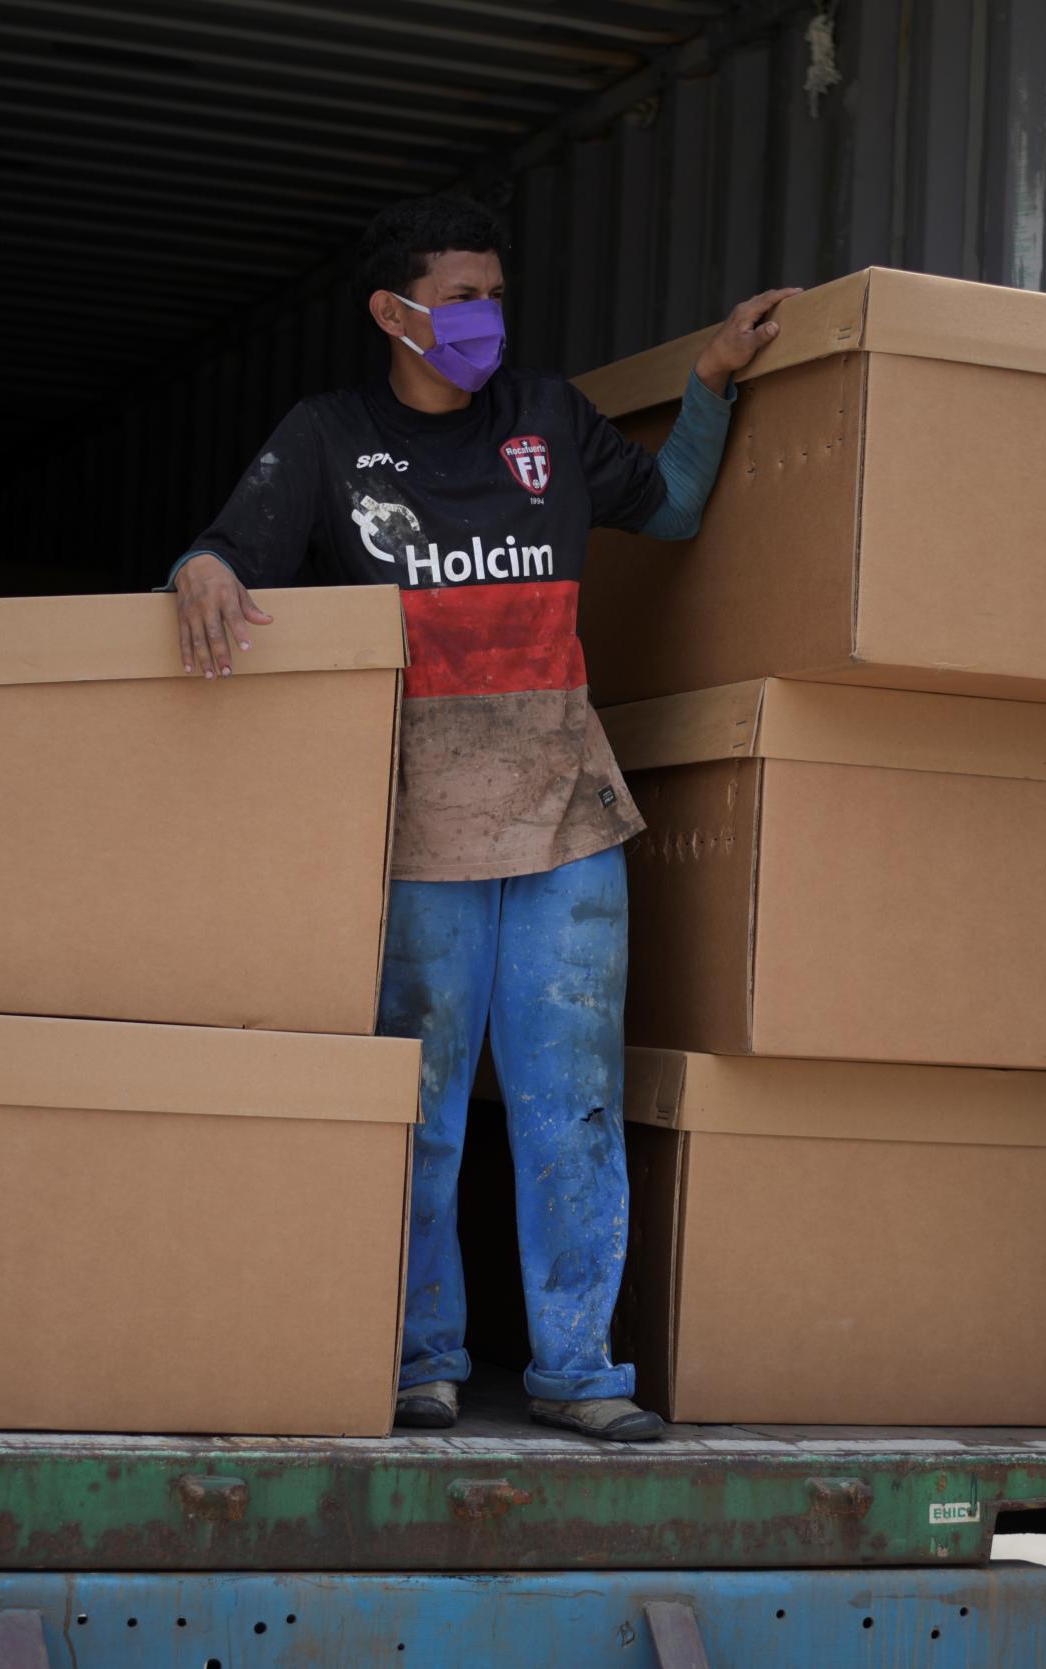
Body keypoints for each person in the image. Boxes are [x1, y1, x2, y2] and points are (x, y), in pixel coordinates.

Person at [171, 195, 793, 1442]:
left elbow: (667, 507)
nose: (485, 319)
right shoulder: (330, 439)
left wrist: (711, 376)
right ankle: (420, 1360)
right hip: (417, 832)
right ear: (392, 313)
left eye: (495, 295)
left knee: (572, 1104)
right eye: (461, 298)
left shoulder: (549, 420)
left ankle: (577, 1371)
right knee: (428, 1108)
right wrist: (202, 565)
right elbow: (233, 547)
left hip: (565, 811)